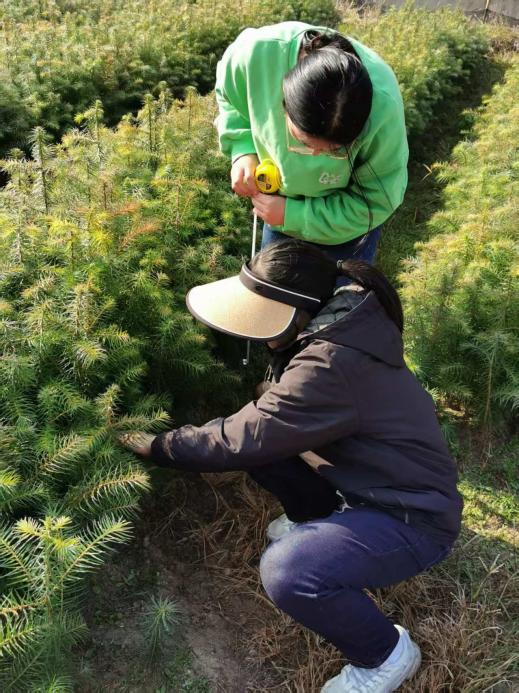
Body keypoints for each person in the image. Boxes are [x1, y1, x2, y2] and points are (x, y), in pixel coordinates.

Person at [120, 239, 463, 693]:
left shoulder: (331, 362)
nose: (257, 333)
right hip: (372, 481)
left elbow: (240, 438)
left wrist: (161, 446)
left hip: (413, 518)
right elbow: (268, 427)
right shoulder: (343, 323)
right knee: (269, 453)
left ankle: (384, 655)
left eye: (264, 318)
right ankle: (322, 520)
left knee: (290, 571)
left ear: (298, 312)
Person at [214, 21, 409, 267]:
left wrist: (292, 215)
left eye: (335, 149)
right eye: (303, 141)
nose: (315, 155)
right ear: (284, 103)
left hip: (347, 227)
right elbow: (231, 99)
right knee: (275, 288)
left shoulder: (384, 109)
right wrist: (242, 149)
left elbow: (375, 201)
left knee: (343, 292)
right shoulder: (254, 56)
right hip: (278, 211)